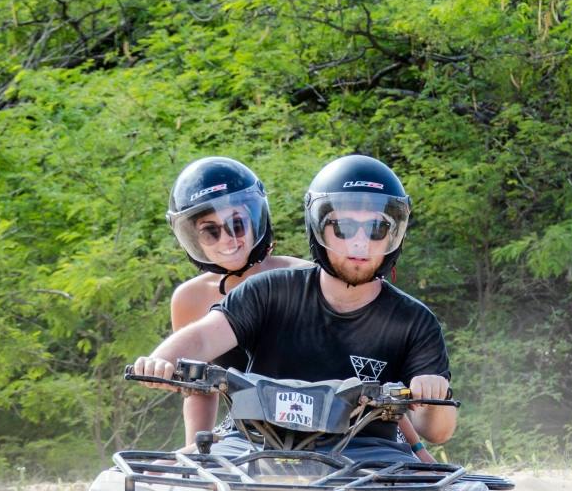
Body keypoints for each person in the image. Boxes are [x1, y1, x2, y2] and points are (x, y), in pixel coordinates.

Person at [134, 154, 455, 455]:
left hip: (366, 451)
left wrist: (428, 408)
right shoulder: (266, 291)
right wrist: (160, 362)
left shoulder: (413, 320)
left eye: (376, 228)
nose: (359, 242)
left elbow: (430, 426)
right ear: (319, 229)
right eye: (343, 227)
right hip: (255, 443)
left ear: (393, 235)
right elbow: (201, 349)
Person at [164, 157, 309, 441]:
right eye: (210, 231)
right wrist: (197, 449)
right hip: (249, 435)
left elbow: (364, 362)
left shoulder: (304, 277)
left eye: (237, 224)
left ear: (257, 220)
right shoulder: (190, 298)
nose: (227, 240)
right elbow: (199, 388)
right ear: (193, 238)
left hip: (338, 431)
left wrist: (413, 444)